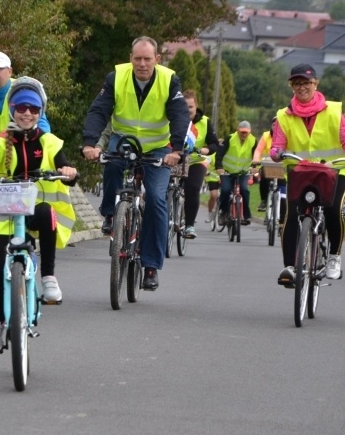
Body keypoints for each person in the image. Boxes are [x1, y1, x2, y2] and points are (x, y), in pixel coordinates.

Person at [0, 78, 77, 352]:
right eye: (22, 107)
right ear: (12, 109)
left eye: (34, 109)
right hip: (5, 215)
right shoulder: (0, 144)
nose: (28, 113)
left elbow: (64, 166)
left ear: (41, 112)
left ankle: (48, 277)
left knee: (47, 213)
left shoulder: (49, 142)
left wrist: (69, 171)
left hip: (33, 211)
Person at [81, 36, 189, 291]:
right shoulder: (116, 77)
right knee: (112, 163)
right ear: (131, 59)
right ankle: (110, 214)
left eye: (147, 59)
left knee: (155, 198)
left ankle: (151, 266)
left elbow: (180, 114)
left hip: (159, 147)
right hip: (124, 139)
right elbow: (99, 110)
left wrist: (177, 149)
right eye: (137, 59)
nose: (142, 64)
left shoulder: (169, 80)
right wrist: (89, 143)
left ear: (157, 60)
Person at [270, 63, 345, 285]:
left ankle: (334, 256)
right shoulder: (283, 115)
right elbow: (278, 143)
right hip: (302, 170)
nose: (301, 87)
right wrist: (276, 152)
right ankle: (289, 267)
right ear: (291, 86)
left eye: (306, 82)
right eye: (297, 83)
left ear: (315, 84)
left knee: (333, 208)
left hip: (336, 170)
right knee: (291, 213)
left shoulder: (333, 110)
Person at [181, 89, 220, 238]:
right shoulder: (173, 118)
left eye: (190, 107)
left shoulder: (205, 122)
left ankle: (189, 225)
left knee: (192, 188)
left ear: (196, 107)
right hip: (176, 159)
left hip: (197, 161)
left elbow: (214, 144)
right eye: (184, 107)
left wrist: (204, 150)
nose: (187, 110)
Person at [216, 120, 257, 226]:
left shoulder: (253, 141)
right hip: (227, 171)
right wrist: (219, 167)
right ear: (237, 131)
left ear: (250, 132)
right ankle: (223, 212)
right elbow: (219, 153)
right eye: (242, 132)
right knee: (225, 190)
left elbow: (256, 157)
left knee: (244, 190)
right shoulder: (229, 139)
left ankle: (246, 216)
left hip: (243, 172)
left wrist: (255, 168)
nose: (244, 134)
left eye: (246, 132)